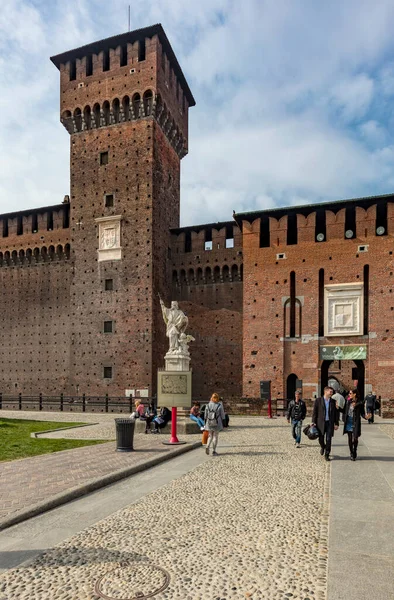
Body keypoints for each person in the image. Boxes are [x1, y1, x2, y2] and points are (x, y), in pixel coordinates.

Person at [338, 388, 370, 460]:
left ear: (354, 394)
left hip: (355, 421)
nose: (349, 395)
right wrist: (338, 408)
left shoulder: (360, 403)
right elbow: (344, 410)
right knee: (349, 438)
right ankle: (351, 453)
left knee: (355, 438)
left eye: (350, 393)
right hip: (348, 421)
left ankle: (355, 450)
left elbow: (362, 413)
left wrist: (366, 417)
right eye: (349, 393)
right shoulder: (348, 401)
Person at [311, 386, 339, 461]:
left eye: (332, 392)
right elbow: (314, 412)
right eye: (330, 392)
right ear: (325, 392)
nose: (331, 393)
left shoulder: (333, 401)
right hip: (320, 423)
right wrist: (313, 422)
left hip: (329, 423)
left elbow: (336, 413)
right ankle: (323, 447)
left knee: (329, 439)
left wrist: (336, 423)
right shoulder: (318, 400)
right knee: (321, 438)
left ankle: (327, 454)